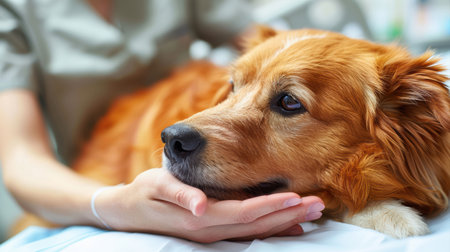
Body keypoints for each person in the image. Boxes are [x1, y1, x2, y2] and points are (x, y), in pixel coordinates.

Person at [0, 0, 324, 243]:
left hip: (204, 134)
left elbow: (288, 54)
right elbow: (21, 160)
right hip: (101, 176)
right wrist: (113, 204)